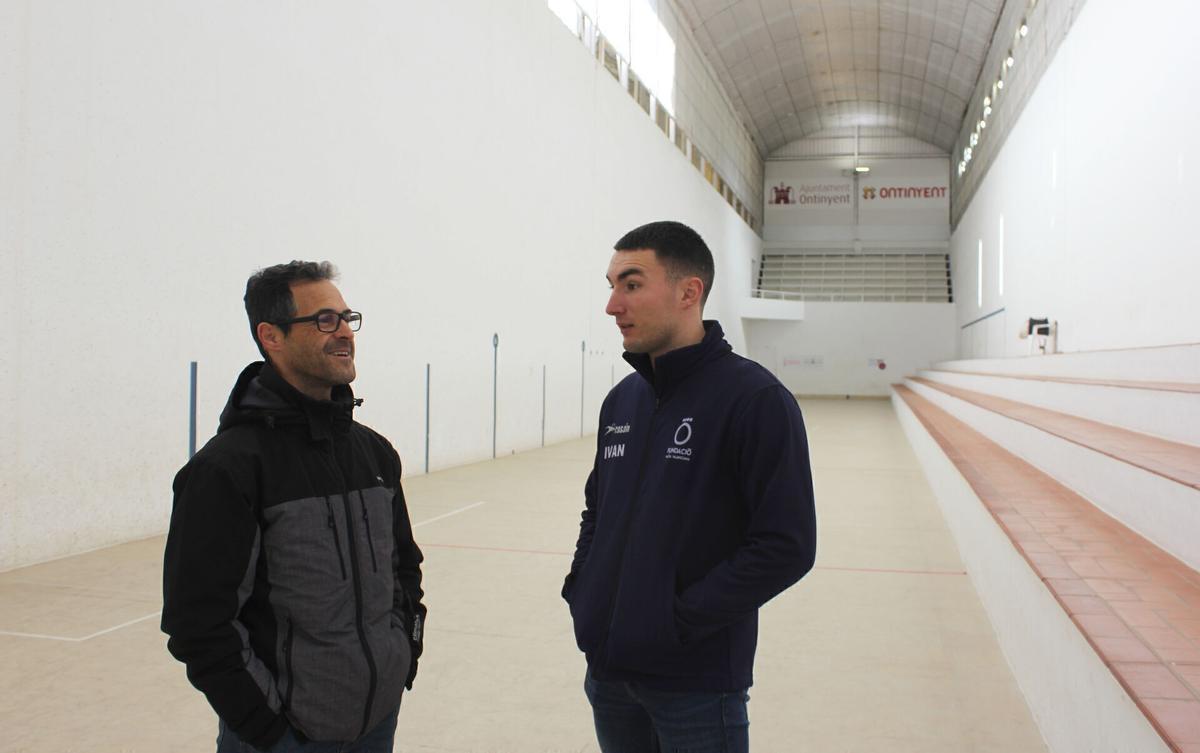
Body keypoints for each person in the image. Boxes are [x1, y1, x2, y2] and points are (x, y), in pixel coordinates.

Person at [563, 221, 817, 752]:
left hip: (697, 688)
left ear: (688, 292)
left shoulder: (755, 400)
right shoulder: (622, 401)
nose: (612, 306)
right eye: (611, 286)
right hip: (609, 677)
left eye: (632, 284)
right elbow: (597, 511)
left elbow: (786, 546)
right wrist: (584, 591)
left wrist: (672, 622)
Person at [162, 261, 425, 753]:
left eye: (347, 318)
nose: (344, 332)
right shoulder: (227, 469)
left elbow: (404, 569)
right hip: (284, 736)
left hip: (376, 723)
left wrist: (404, 651)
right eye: (324, 320)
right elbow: (198, 624)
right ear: (271, 336)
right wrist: (267, 729)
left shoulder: (375, 455)